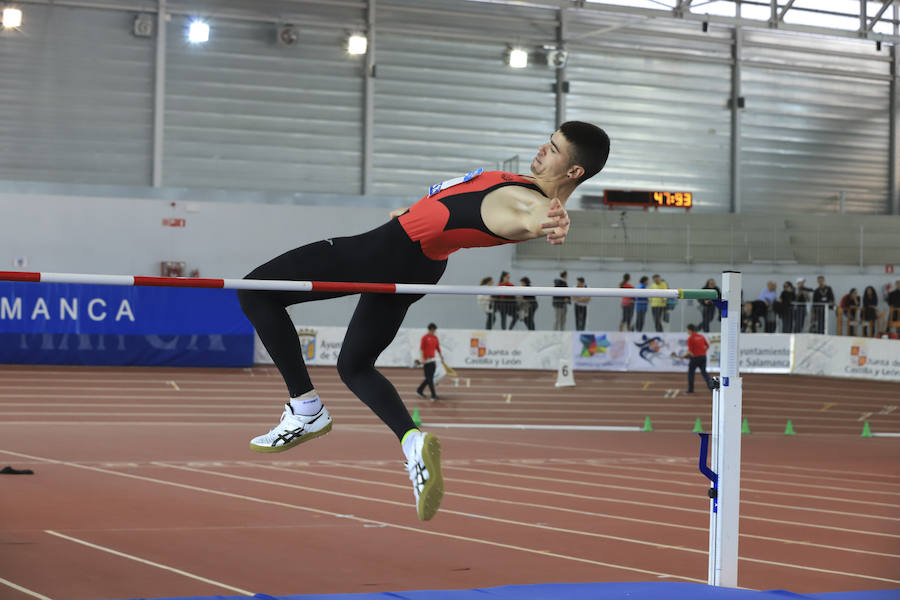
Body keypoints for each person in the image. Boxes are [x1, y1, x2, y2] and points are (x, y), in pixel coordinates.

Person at [236, 121, 610, 521]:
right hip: (418, 263)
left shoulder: (526, 201)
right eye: (548, 141)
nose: (541, 149)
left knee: (255, 289)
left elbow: (534, 217)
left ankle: (305, 407)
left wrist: (552, 223)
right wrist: (414, 210)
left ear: (573, 172)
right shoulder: (520, 183)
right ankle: (413, 444)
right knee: (354, 366)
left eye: (553, 149)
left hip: (387, 249)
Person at [676, 324, 714, 394]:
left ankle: (691, 389)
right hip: (703, 357)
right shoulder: (701, 336)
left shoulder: (690, 338)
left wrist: (682, 356)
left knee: (691, 373)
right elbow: (707, 346)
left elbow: (689, 352)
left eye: (687, 330)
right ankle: (712, 388)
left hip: (695, 358)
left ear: (690, 330)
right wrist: (702, 352)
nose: (687, 331)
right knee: (704, 373)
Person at [416, 323, 443, 401]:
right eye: (433, 330)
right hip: (426, 361)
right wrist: (422, 359)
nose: (434, 331)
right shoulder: (424, 338)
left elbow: (438, 348)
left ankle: (419, 390)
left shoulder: (435, 338)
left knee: (429, 378)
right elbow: (422, 349)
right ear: (430, 329)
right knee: (430, 378)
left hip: (433, 361)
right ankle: (433, 395)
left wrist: (441, 356)